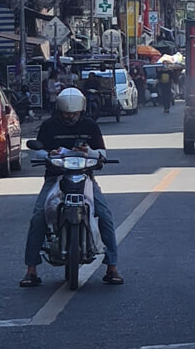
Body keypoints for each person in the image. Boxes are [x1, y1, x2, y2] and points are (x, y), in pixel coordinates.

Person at [21, 88, 122, 287]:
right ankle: (31, 269)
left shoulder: (90, 126)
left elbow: (102, 153)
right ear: (60, 111)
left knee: (104, 215)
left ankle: (112, 267)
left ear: (81, 111)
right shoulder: (49, 126)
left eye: (74, 113)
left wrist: (89, 151)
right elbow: (38, 150)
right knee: (38, 216)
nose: (70, 117)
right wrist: (49, 154)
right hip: (55, 178)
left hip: (85, 179)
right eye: (66, 113)